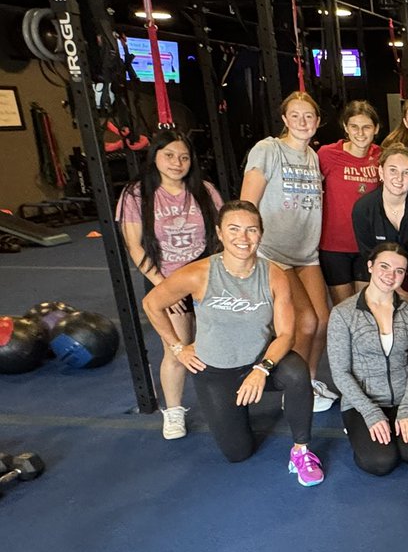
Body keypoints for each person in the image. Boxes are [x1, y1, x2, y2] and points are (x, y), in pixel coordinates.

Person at [143, 201, 324, 486]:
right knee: (238, 453)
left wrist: (262, 369)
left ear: (261, 234)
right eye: (234, 229)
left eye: (251, 230)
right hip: (216, 371)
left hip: (258, 363)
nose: (243, 237)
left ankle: (301, 451)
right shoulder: (199, 273)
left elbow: (286, 335)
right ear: (219, 233)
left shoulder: (274, 275)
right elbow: (152, 303)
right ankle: (235, 412)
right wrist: (177, 347)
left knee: (296, 372)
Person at [117, 129, 222, 439]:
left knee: (217, 345)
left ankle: (224, 404)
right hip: (166, 280)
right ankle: (174, 411)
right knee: (177, 347)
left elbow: (222, 234)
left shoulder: (204, 190)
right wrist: (165, 288)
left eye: (184, 157)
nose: (177, 163)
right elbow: (134, 246)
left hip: (204, 278)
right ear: (155, 157)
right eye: (169, 156)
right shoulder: (137, 194)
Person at [239, 90, 334, 413]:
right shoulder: (268, 149)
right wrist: (246, 252)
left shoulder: (313, 157)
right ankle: (293, 388)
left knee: (323, 321)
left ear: (318, 121)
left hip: (306, 254)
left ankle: (308, 381)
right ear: (284, 119)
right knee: (305, 322)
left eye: (309, 116)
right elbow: (247, 205)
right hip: (273, 253)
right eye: (295, 116)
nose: (303, 122)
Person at [326, 242, 408, 476]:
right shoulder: (343, 314)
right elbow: (340, 372)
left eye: (399, 271)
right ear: (370, 266)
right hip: (363, 402)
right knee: (381, 462)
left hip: (403, 399)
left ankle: (398, 421)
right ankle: (357, 428)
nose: (391, 275)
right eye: (384, 266)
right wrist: (370, 412)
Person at [352, 144, 408, 395]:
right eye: (393, 170)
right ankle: (389, 369)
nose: (399, 178)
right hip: (383, 272)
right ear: (380, 172)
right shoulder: (363, 208)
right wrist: (397, 290)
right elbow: (370, 255)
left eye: (406, 172)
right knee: (385, 315)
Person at [318, 100, 381, 305]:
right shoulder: (327, 154)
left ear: (376, 129)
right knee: (344, 309)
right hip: (334, 246)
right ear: (346, 127)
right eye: (354, 126)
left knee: (366, 307)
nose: (360, 133)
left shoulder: (381, 156)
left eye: (366, 127)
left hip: (367, 245)